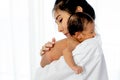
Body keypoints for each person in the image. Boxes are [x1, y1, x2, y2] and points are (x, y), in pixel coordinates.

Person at [38, 0, 108, 80]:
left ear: (78, 12)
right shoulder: (83, 42)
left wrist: (47, 55)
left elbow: (41, 75)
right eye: (57, 23)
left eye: (60, 20)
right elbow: (44, 64)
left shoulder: (90, 46)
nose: (59, 29)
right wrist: (46, 53)